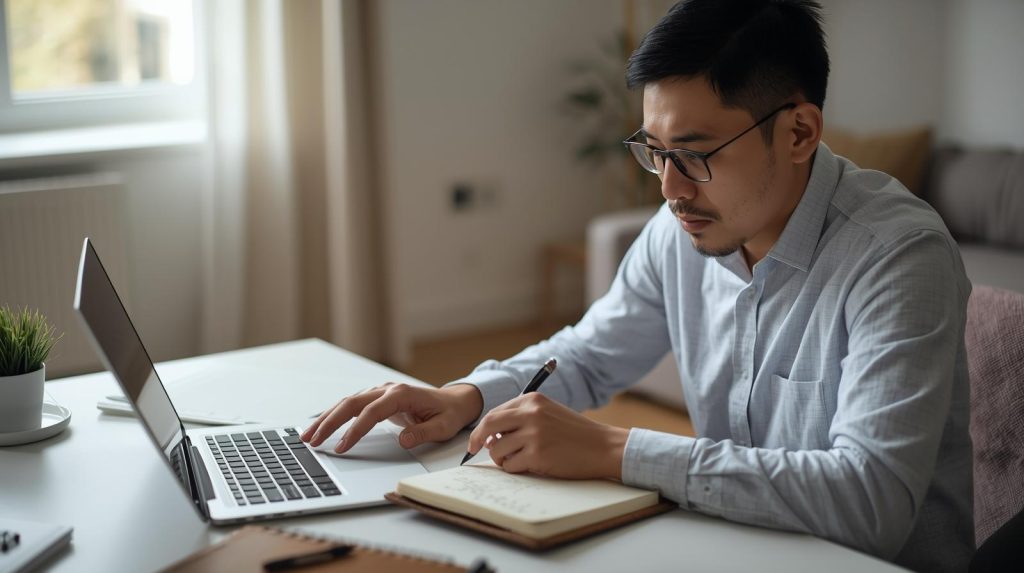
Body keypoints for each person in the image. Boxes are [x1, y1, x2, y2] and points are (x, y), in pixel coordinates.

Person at [302, 1, 973, 570]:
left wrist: (613, 449)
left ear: (799, 131)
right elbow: (591, 353)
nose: (670, 188)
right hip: (731, 542)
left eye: (695, 154)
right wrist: (466, 396)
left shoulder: (897, 256)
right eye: (654, 150)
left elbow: (872, 503)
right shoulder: (678, 228)